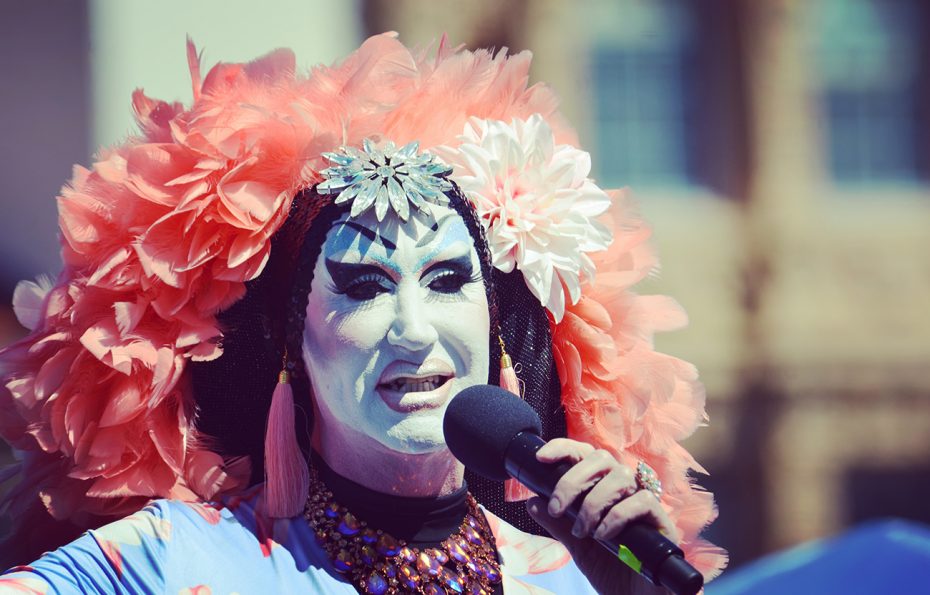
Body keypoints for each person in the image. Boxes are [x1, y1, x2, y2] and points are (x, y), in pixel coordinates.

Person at [0, 34, 726, 593]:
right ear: (294, 343)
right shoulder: (168, 560)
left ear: (494, 326)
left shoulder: (574, 578)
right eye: (366, 287)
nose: (414, 328)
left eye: (447, 280)